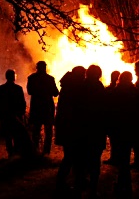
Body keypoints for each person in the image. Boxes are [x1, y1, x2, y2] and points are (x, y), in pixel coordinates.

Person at [54, 66, 86, 195]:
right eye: (83, 74)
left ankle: (74, 180)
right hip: (71, 127)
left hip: (68, 127)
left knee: (72, 156)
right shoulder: (73, 88)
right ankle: (64, 182)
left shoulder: (67, 86)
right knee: (72, 156)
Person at [76, 64, 107, 198]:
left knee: (81, 159)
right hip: (96, 129)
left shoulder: (81, 87)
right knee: (95, 160)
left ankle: (79, 185)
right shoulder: (100, 87)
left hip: (83, 128)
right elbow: (104, 108)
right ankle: (93, 188)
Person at [108, 70, 138, 197]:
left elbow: (109, 110)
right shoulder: (135, 92)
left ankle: (122, 182)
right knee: (125, 156)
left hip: (117, 128)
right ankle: (125, 183)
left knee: (121, 157)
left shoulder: (115, 92)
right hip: (130, 128)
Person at [0, 69, 34, 159]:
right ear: (14, 77)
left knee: (8, 135)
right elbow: (22, 102)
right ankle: (16, 152)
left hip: (6, 115)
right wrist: (22, 112)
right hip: (16, 115)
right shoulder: (18, 88)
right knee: (17, 134)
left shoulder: (1, 89)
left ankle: (11, 153)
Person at [26, 61, 59, 156]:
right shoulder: (50, 79)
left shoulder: (31, 78)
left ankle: (35, 149)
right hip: (47, 107)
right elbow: (56, 93)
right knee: (48, 131)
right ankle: (46, 151)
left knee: (36, 130)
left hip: (36, 107)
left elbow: (29, 91)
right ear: (45, 68)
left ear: (37, 68)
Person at [103, 70, 121, 166]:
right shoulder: (120, 89)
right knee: (116, 140)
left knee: (115, 140)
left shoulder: (111, 89)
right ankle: (115, 158)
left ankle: (115, 158)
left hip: (113, 119)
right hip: (116, 119)